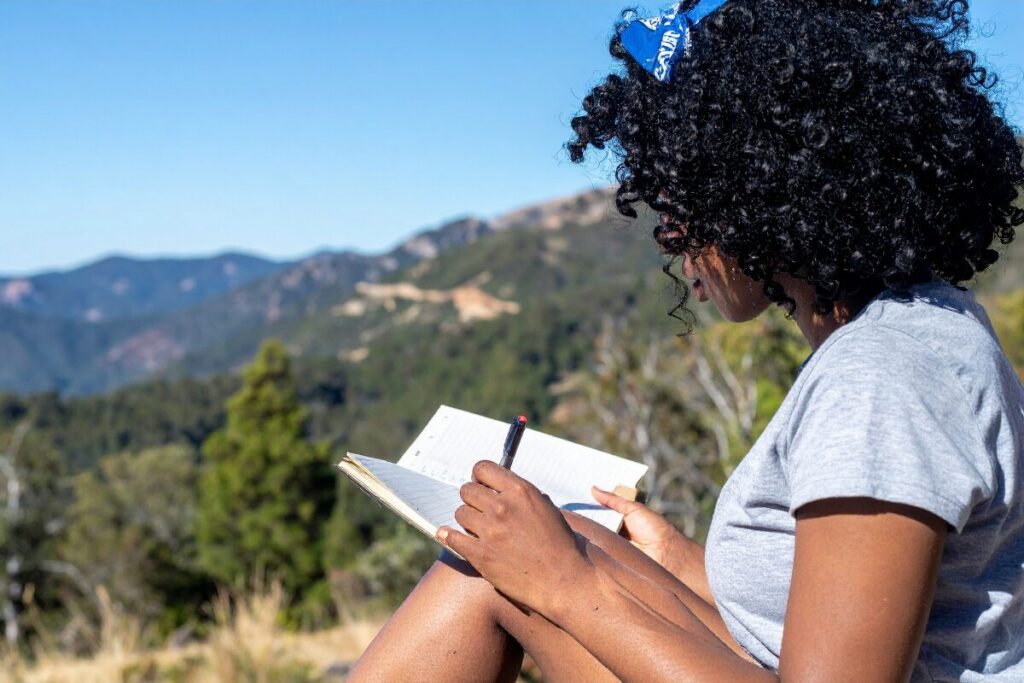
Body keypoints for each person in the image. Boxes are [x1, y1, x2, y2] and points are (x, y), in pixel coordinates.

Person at [349, 0, 1024, 680]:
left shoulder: (879, 379)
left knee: (488, 571)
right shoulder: (922, 328)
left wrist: (567, 586)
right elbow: (814, 616)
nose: (670, 234)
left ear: (760, 182)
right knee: (561, 536)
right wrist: (670, 559)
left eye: (680, 195)